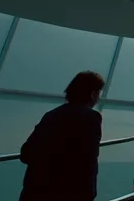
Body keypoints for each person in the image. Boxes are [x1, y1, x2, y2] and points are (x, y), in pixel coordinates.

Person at [19, 71, 105, 201]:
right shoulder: (91, 117)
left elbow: (26, 153)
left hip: (34, 192)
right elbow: (88, 161)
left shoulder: (51, 115)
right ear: (93, 94)